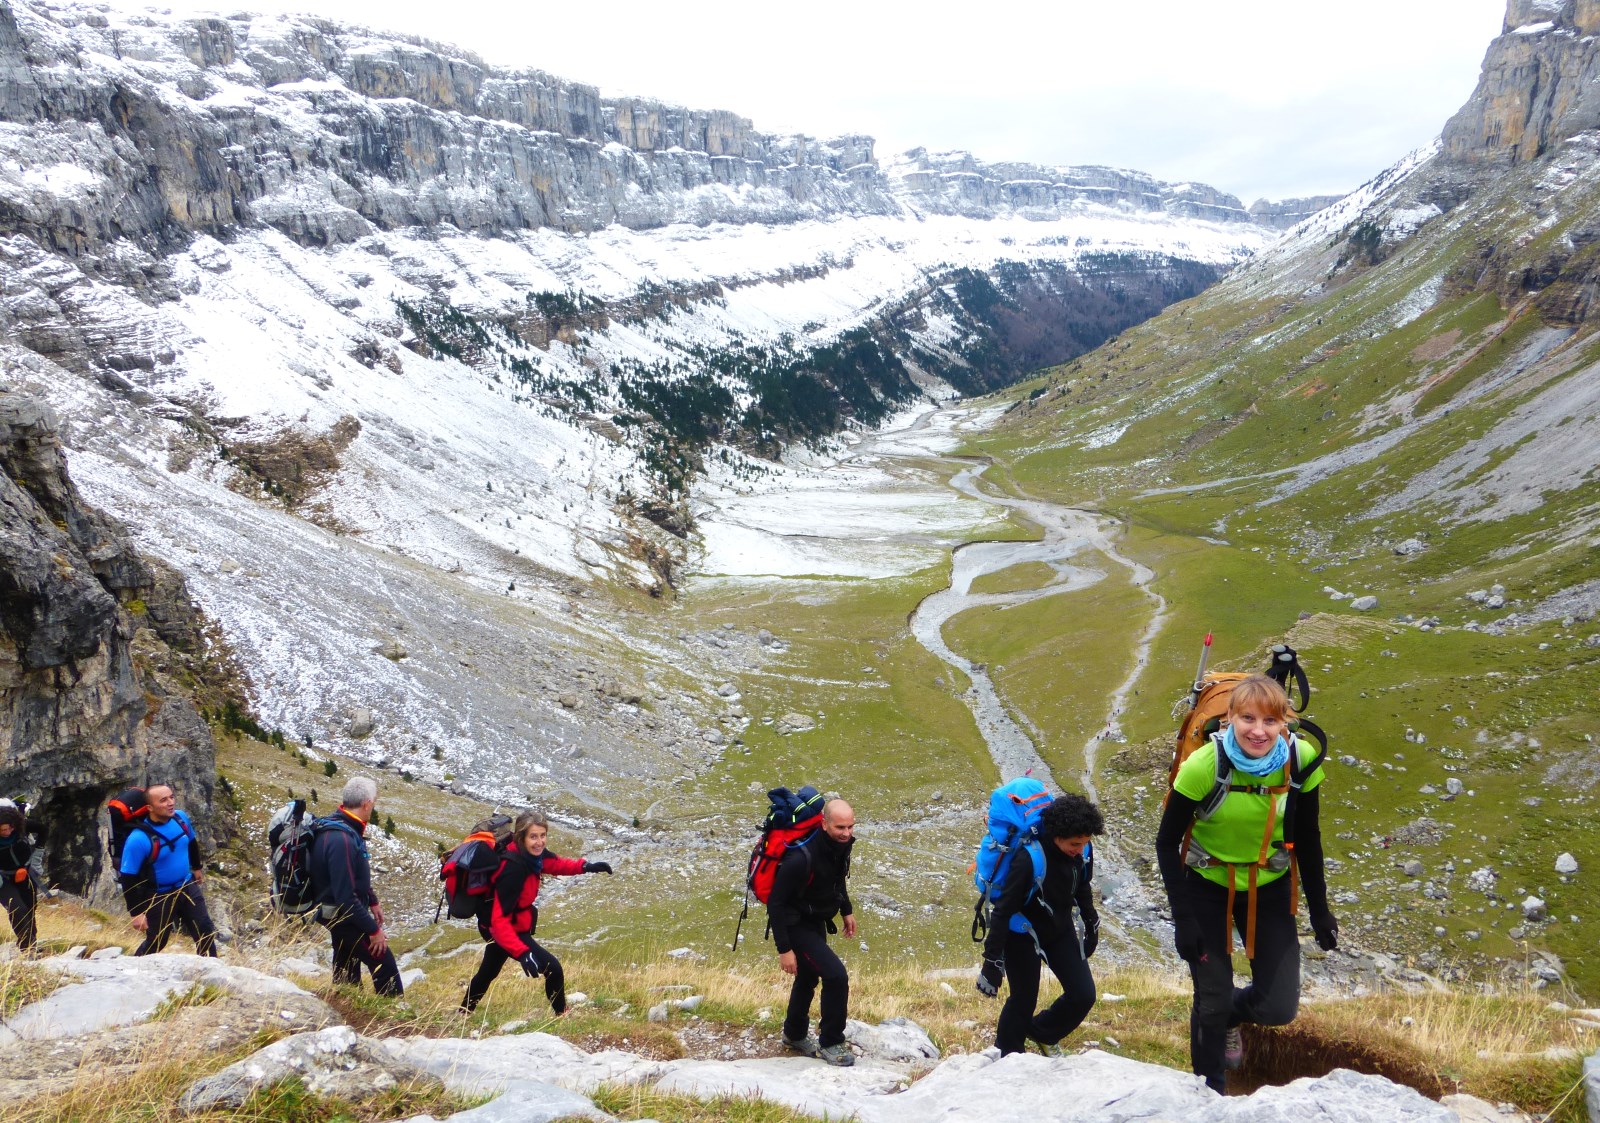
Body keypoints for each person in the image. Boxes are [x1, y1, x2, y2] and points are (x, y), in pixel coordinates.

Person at [1155, 674, 1337, 1092]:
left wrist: (1321, 909)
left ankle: (1232, 1014)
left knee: (1279, 1008)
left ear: (1284, 723)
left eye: (1270, 721)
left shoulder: (1301, 758)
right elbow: (1166, 843)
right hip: (1205, 885)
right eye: (1248, 718)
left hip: (1270, 886)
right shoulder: (1204, 764)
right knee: (1211, 998)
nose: (1259, 730)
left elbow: (1307, 839)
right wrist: (1184, 919)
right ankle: (1209, 1092)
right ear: (1230, 718)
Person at [976, 792, 1103, 1056]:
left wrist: (1091, 923)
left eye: (1084, 843)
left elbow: (1082, 885)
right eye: (1074, 844)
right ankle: (1008, 1056)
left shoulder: (1082, 849)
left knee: (1083, 995)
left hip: (1059, 929)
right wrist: (992, 960)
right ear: (1057, 834)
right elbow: (1003, 909)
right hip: (1021, 933)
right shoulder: (1028, 859)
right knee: (1023, 1001)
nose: (1080, 850)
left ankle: (1043, 1033)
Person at [460, 809, 612, 1014]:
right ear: (521, 837)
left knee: (488, 971)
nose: (540, 842)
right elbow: (499, 920)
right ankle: (561, 1015)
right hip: (503, 928)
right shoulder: (513, 869)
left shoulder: (532, 857)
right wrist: (522, 953)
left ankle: (463, 1013)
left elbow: (556, 864)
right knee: (553, 969)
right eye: (533, 836)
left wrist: (587, 867)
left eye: (543, 835)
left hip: (509, 924)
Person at [771, 797, 857, 1067]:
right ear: (824, 824)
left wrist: (846, 909)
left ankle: (794, 1034)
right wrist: (784, 949)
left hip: (815, 919)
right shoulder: (801, 857)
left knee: (808, 977)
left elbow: (837, 878)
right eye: (840, 827)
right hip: (795, 923)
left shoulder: (838, 847)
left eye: (850, 827)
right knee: (835, 975)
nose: (846, 833)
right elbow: (776, 903)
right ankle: (831, 1042)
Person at [310, 776, 401, 995]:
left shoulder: (340, 827)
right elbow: (346, 897)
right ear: (367, 804)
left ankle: (345, 1005)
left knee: (346, 961)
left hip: (333, 913)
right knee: (384, 962)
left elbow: (352, 876)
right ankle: (396, 1019)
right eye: (374, 802)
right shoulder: (342, 839)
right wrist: (373, 930)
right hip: (342, 915)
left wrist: (372, 900)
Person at [118, 784, 217, 957]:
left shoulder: (181, 818)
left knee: (205, 931)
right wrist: (136, 913)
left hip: (187, 886)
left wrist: (197, 867)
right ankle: (135, 966)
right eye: (163, 800)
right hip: (159, 896)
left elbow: (191, 842)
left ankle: (211, 972)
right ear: (149, 808)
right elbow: (128, 877)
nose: (170, 803)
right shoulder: (138, 839)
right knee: (158, 940)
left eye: (171, 797)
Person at [0, 799, 43, 952]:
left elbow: (42, 829)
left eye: (9, 829)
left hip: (25, 872)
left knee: (30, 906)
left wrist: (37, 856)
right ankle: (27, 947)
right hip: (3, 878)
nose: (6, 832)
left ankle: (31, 943)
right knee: (16, 908)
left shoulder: (22, 827)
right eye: (2, 830)